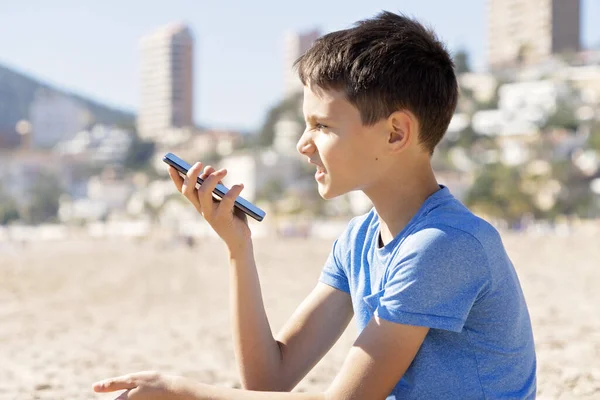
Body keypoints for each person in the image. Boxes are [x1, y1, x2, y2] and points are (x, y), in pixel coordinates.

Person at [93, 11, 536, 399]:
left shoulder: (442, 245)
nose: (304, 145)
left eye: (321, 125)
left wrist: (182, 393)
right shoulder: (360, 239)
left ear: (396, 133)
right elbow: (269, 379)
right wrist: (238, 248)